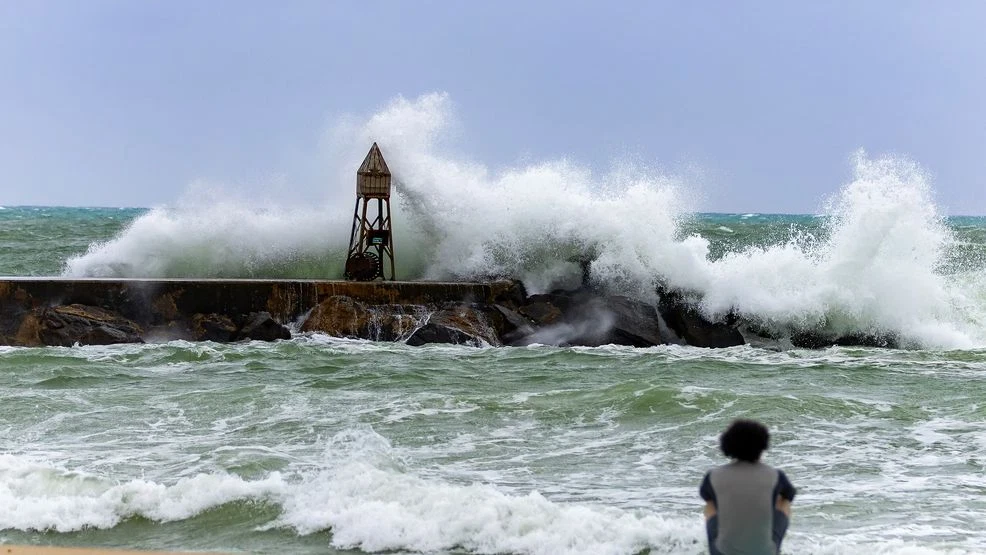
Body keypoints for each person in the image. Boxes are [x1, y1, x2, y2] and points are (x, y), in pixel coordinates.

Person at [699, 419, 796, 555]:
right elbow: (790, 494)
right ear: (762, 445)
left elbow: (706, 495)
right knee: (783, 500)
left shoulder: (713, 476)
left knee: (711, 505)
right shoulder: (775, 475)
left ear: (728, 444)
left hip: (722, 552)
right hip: (764, 552)